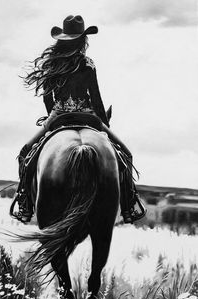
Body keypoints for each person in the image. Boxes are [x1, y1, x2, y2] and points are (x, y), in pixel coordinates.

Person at [10, 15, 146, 224]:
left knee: (24, 155)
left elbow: (48, 98)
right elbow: (96, 98)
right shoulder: (88, 63)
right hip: (88, 116)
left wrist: (53, 117)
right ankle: (129, 208)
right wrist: (103, 123)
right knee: (126, 155)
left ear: (62, 38)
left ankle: (26, 206)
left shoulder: (52, 64)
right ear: (83, 39)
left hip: (58, 116)